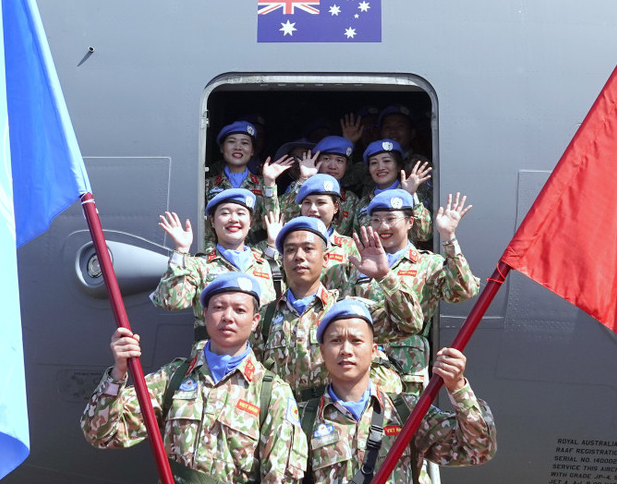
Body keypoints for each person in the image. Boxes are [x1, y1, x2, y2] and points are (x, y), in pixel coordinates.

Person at [82, 273, 305, 484]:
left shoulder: (272, 393)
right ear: (205, 314)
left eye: (240, 310)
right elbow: (100, 434)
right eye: (218, 307)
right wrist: (118, 373)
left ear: (256, 320)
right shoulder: (173, 379)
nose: (228, 316)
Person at [264, 302, 496, 484]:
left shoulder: (405, 412)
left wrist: (458, 387)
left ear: (374, 351)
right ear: (321, 353)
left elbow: (479, 448)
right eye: (335, 341)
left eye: (357, 340)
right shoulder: (302, 420)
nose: (346, 350)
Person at [256, 217, 420, 391]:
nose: (299, 257)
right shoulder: (266, 317)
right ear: (282, 260)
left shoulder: (347, 311)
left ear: (326, 258)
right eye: (290, 250)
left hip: (331, 415)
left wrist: (385, 276)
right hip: (284, 415)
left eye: (308, 249)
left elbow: (410, 324)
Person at [352, 190, 478, 391]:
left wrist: (448, 238)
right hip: (362, 364)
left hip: (407, 368)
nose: (383, 226)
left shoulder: (428, 263)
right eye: (376, 220)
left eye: (391, 218)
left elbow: (465, 291)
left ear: (410, 222)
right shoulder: (357, 263)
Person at [153, 189, 280, 338]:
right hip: (212, 355)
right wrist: (181, 251)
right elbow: (170, 302)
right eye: (225, 213)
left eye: (241, 213)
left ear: (250, 222)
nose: (233, 219)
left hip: (255, 357)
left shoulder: (265, 265)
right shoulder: (199, 265)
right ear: (212, 221)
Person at [359, 140, 433, 244]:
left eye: (387, 161)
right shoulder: (364, 202)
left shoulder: (413, 195)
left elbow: (425, 234)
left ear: (398, 167)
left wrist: (409, 194)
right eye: (374, 163)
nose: (380, 167)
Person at [205, 120, 265, 199]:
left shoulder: (264, 185)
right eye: (231, 141)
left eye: (244, 143)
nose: (238, 147)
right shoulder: (207, 185)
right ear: (222, 148)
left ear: (252, 151)